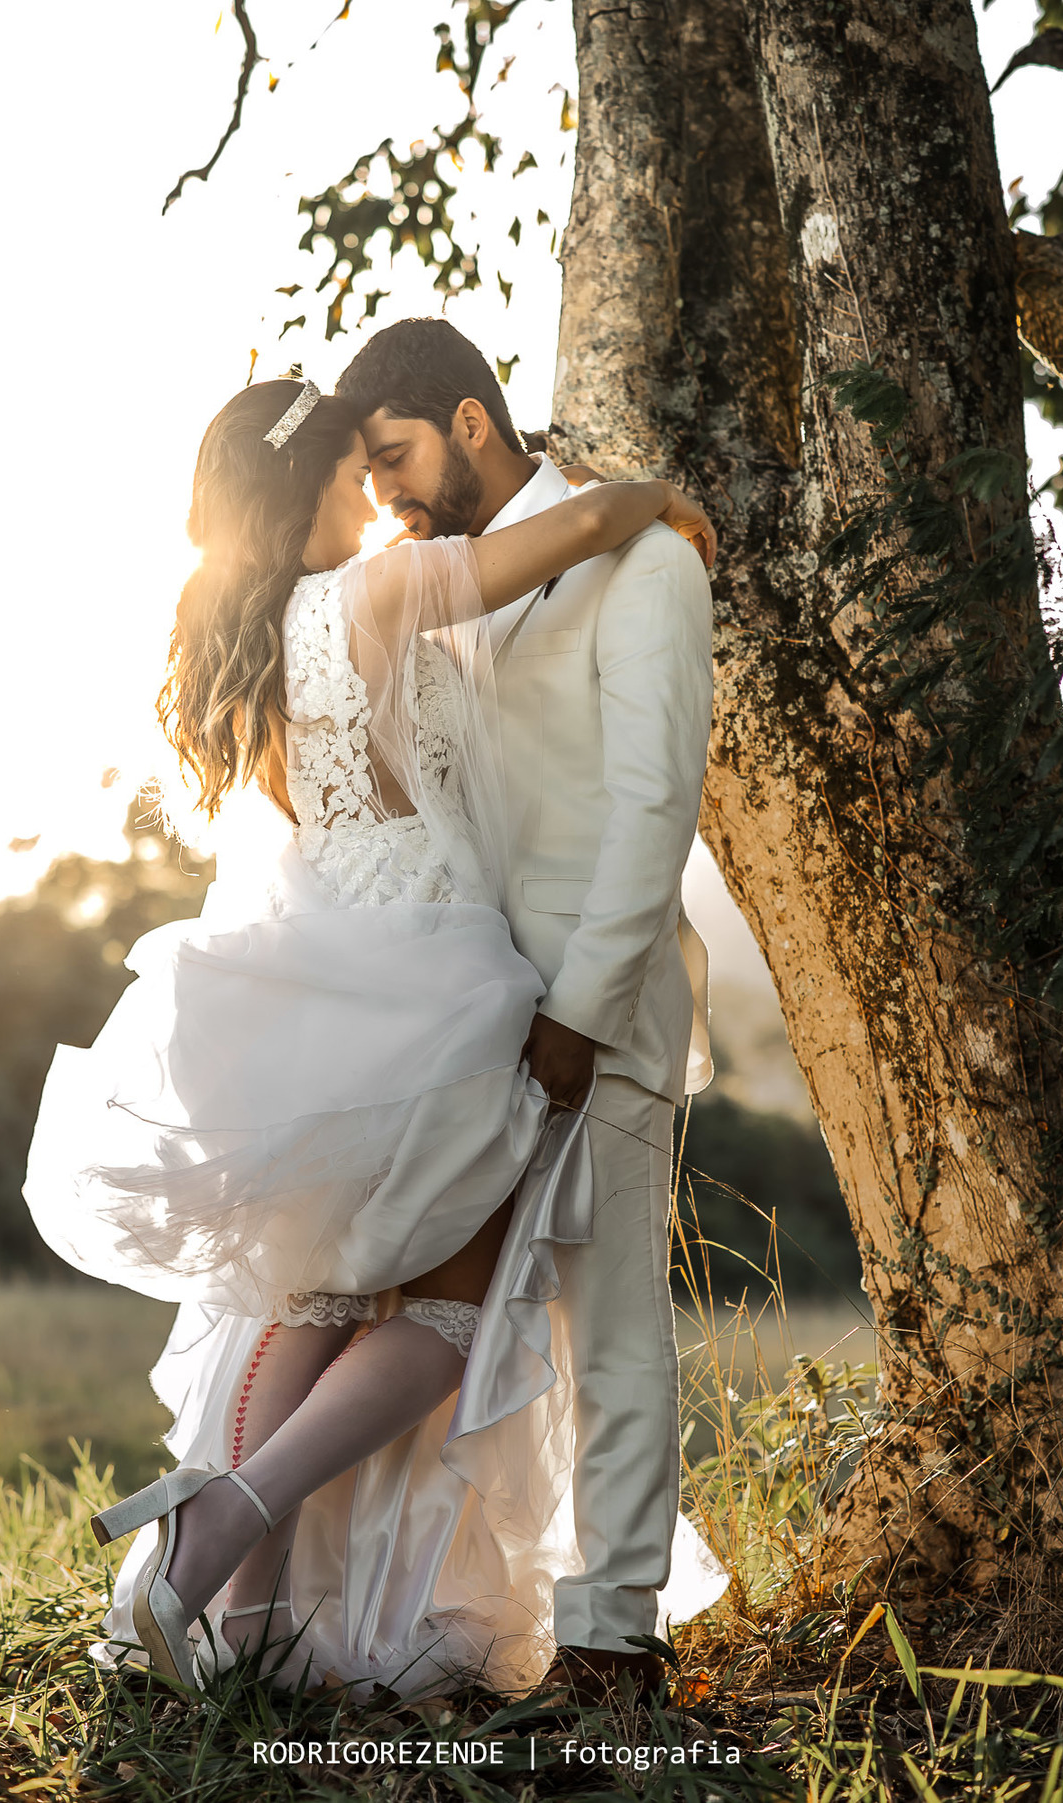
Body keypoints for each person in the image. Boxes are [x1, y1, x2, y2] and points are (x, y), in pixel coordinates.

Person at [22, 372, 724, 1698]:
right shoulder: (374, 594)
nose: (375, 500)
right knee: (453, 1306)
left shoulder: (230, 637)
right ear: (308, 488)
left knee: (312, 1300)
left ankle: (243, 1624)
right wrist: (656, 494)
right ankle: (224, 1519)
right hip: (439, 983)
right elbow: (575, 528)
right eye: (357, 475)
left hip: (322, 985)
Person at [336, 319, 721, 1704]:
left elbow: (654, 808)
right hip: (463, 1018)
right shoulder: (445, 579)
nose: (385, 492)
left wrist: (580, 1012)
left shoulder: (646, 561)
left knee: (610, 1331)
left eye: (395, 456)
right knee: (462, 1333)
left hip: (594, 1015)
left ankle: (615, 1648)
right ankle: (443, 1617)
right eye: (366, 474)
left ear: (469, 421)